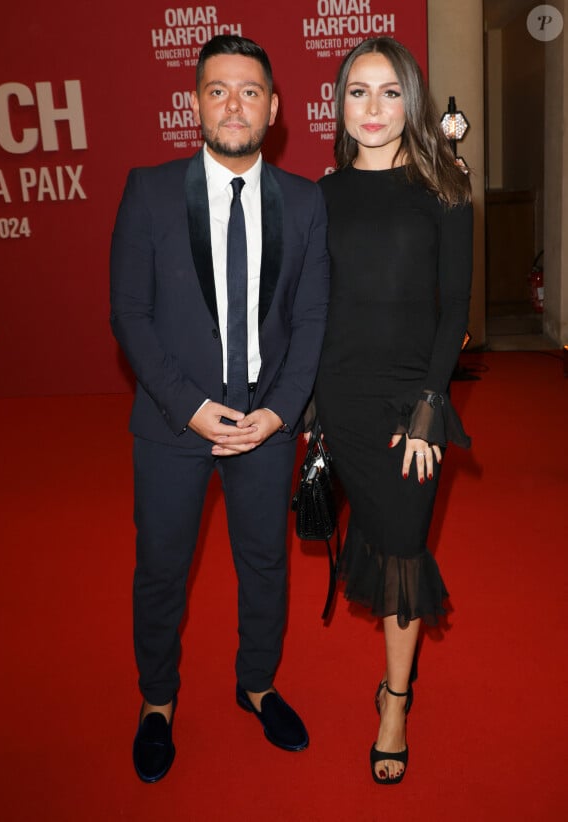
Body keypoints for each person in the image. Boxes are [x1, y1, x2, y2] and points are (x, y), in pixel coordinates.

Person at [110, 34, 329, 783]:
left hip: (267, 425)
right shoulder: (147, 189)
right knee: (162, 569)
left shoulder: (304, 203)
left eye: (249, 91)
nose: (233, 104)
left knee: (265, 563)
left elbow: (311, 320)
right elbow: (130, 314)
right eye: (217, 89)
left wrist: (281, 413)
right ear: (194, 101)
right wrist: (190, 406)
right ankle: (158, 702)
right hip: (173, 425)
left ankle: (258, 684)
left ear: (273, 107)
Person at [314, 37, 473, 785]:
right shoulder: (320, 193)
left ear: (410, 99)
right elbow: (312, 310)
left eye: (388, 91)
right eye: (357, 92)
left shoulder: (446, 187)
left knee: (405, 548)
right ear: (339, 105)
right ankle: (395, 688)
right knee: (379, 538)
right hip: (342, 398)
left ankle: (396, 703)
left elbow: (455, 314)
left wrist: (430, 407)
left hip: (413, 401)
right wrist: (310, 405)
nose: (372, 108)